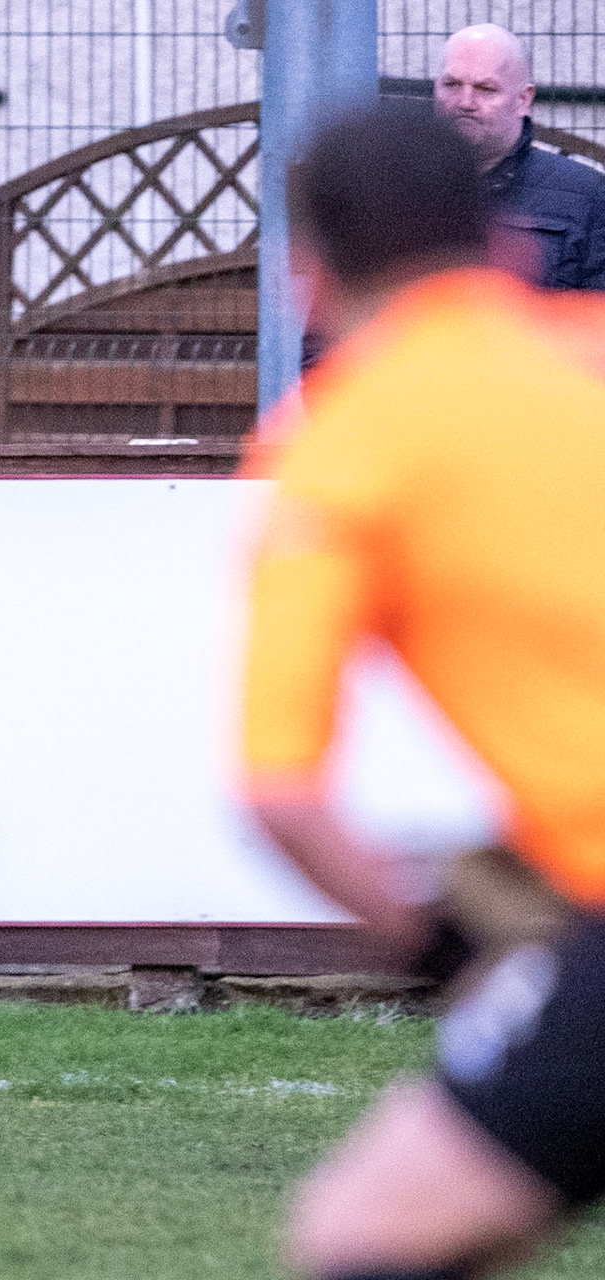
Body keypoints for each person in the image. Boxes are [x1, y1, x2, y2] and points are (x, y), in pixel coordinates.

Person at [242, 107, 605, 1279]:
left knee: (359, 1234)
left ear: (310, 270)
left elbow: (282, 792)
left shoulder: (345, 442)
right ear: (502, 243)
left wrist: (443, 944)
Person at [435, 22, 605, 289]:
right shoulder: (392, 186)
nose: (465, 102)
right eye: (452, 84)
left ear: (524, 99)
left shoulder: (587, 195)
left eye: (486, 89)